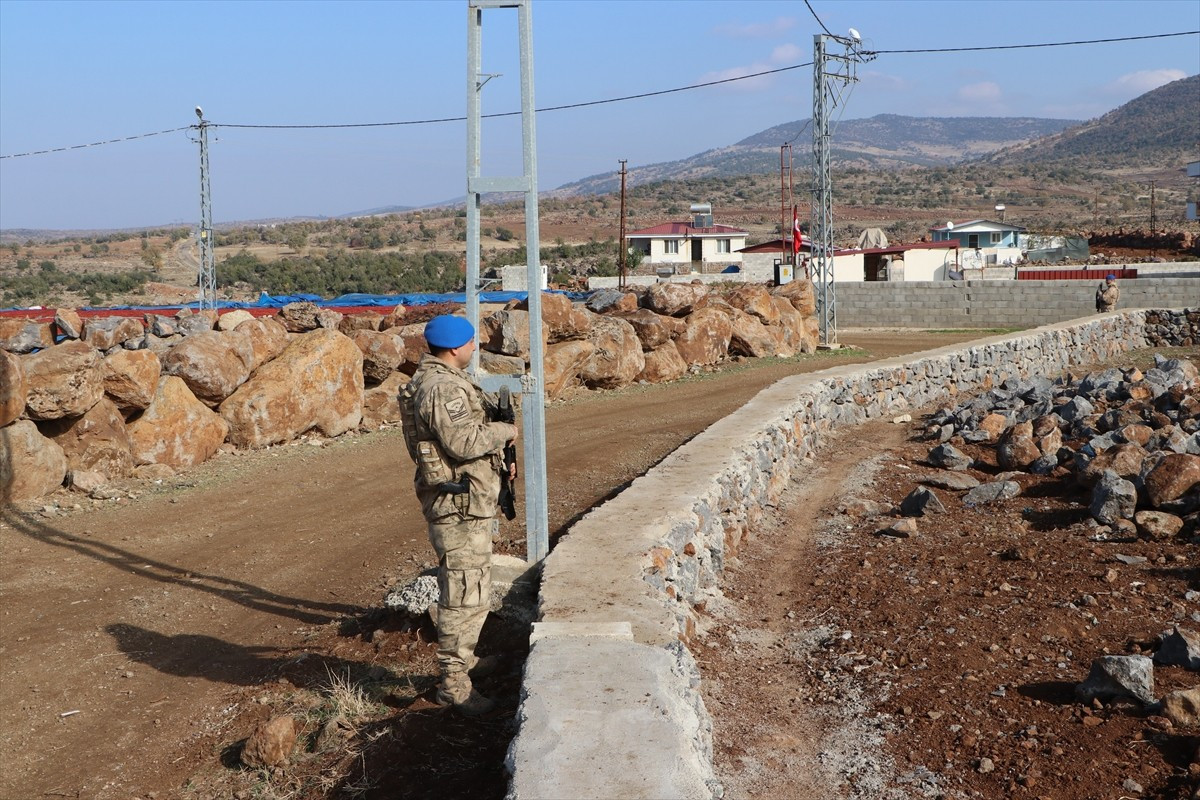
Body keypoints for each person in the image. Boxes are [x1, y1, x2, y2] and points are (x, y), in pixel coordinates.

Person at [400, 314, 518, 716]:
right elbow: (465, 442)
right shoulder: (442, 387)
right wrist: (505, 433)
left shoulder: (442, 380)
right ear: (454, 348)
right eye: (470, 343)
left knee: (474, 586)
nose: (474, 348)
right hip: (458, 505)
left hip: (467, 501)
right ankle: (453, 685)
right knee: (463, 593)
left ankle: (465, 661)